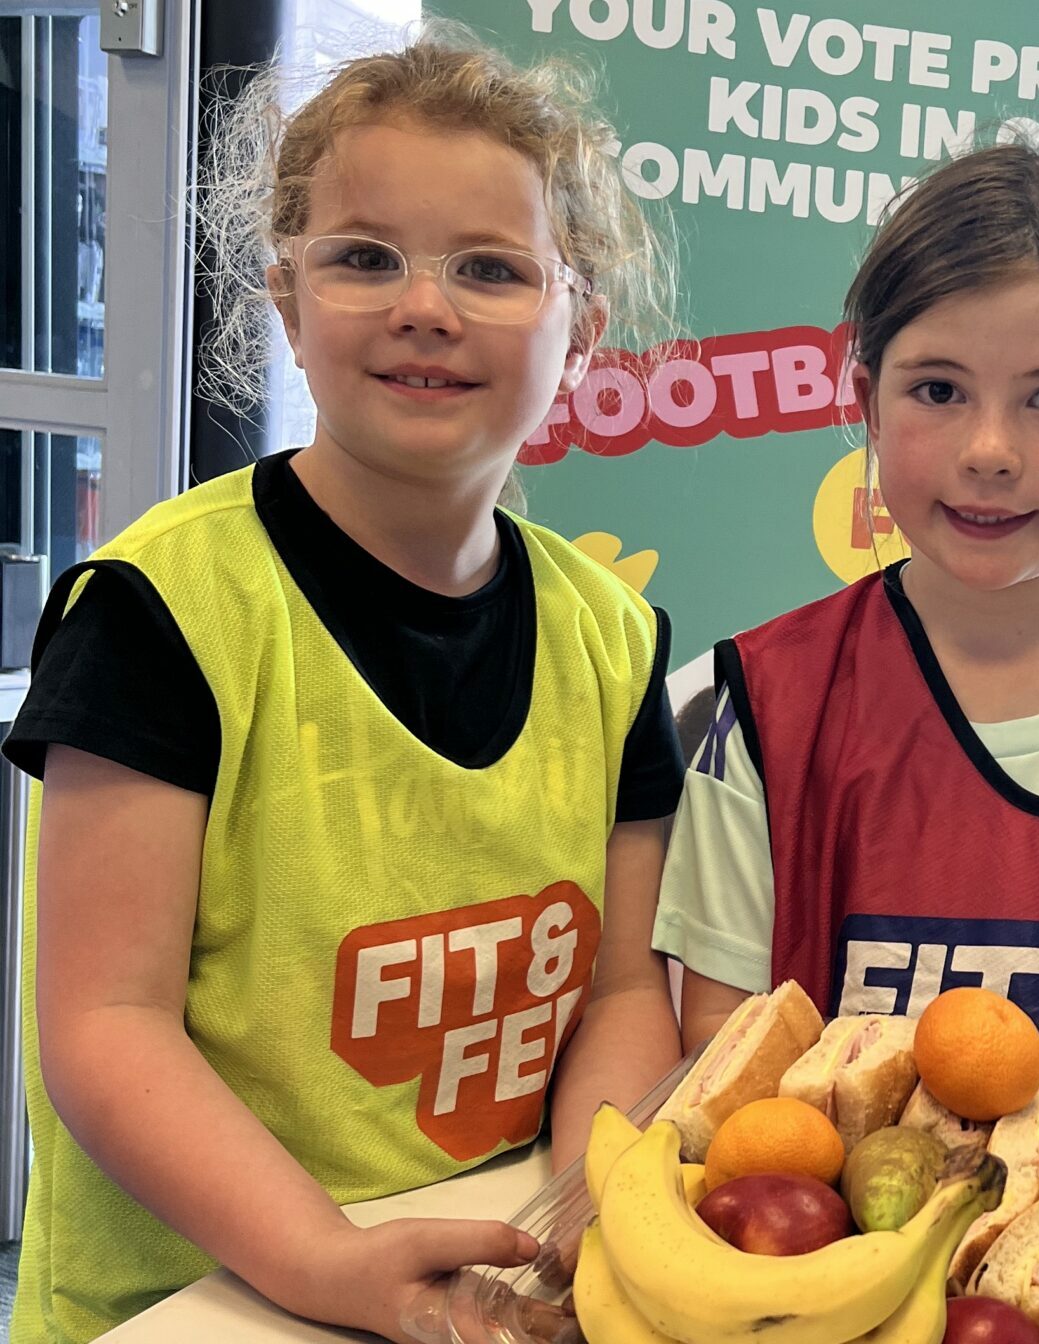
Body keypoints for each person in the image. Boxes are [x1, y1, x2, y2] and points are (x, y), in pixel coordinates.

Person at [4, 28, 685, 1344]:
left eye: (491, 269)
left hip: (489, 1285)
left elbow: (616, 997)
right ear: (286, 300)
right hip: (189, 1306)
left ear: (581, 330)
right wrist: (323, 1261)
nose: (424, 305)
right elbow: (105, 1020)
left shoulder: (618, 645)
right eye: (365, 258)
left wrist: (578, 1225)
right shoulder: (160, 612)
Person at [653, 142, 1039, 1067]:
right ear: (869, 404)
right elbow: (722, 1070)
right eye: (938, 389)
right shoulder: (772, 705)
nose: (989, 450)